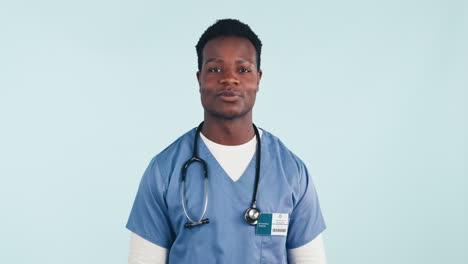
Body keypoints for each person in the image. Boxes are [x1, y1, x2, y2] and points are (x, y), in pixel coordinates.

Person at [126, 18, 327, 264]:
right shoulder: (164, 170)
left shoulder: (291, 172)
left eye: (243, 70)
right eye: (215, 69)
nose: (229, 79)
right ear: (199, 79)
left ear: (258, 79)